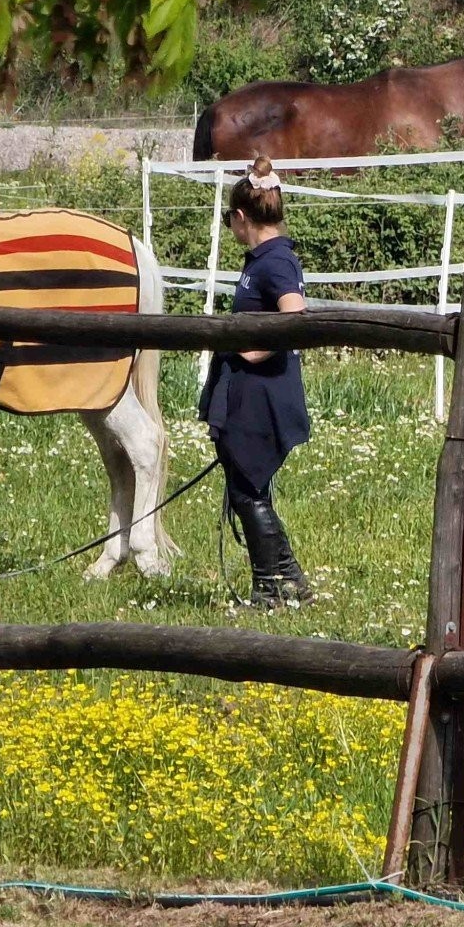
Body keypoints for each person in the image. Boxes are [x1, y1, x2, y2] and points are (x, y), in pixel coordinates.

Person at [199, 156, 314, 605]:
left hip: (261, 391)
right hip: (248, 390)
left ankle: (272, 586)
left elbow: (295, 316)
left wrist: (252, 350)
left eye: (231, 221)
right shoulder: (262, 261)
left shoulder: (274, 263)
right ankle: (285, 581)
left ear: (241, 218)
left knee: (247, 488)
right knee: (246, 487)